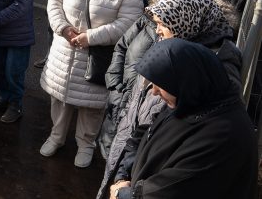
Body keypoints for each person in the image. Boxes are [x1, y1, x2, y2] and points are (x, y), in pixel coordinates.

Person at [99, 0, 239, 199]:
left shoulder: (212, 73)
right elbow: (142, 110)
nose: (157, 30)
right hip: (133, 156)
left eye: (162, 23)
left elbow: (181, 168)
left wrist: (129, 191)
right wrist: (122, 175)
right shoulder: (170, 44)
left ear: (185, 21)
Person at [108, 39, 257, 199]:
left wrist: (122, 194)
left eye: (161, 84)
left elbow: (174, 190)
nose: (154, 92)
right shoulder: (190, 102)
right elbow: (144, 133)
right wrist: (122, 176)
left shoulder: (224, 135)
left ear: (186, 79)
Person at [40, 0, 143, 168]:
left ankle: (86, 144)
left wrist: (90, 37)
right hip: (64, 50)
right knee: (59, 97)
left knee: (91, 105)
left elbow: (127, 24)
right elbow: (54, 1)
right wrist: (63, 28)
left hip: (96, 57)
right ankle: (56, 137)